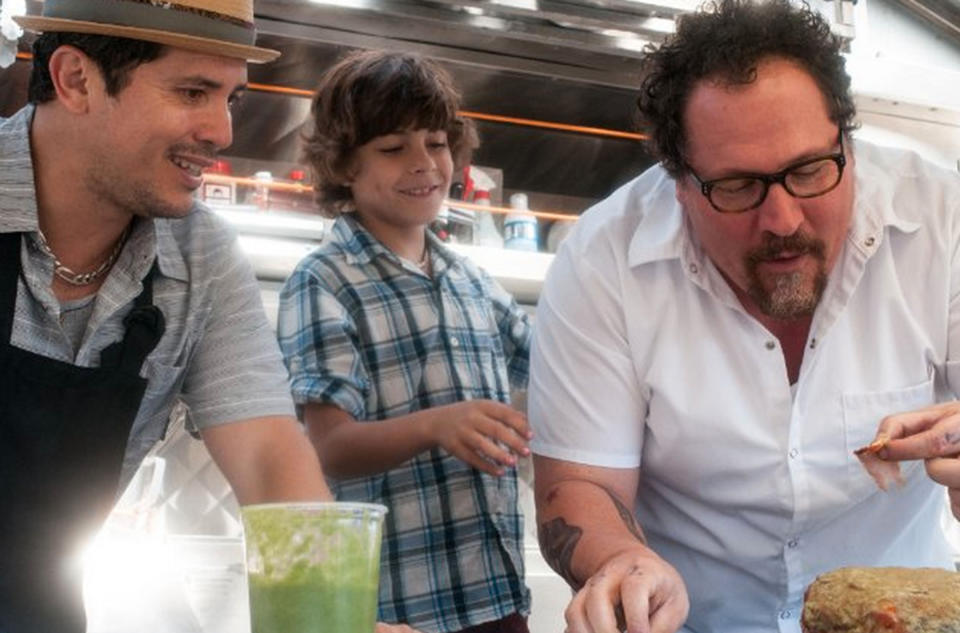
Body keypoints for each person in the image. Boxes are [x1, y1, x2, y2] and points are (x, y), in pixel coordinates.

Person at [527, 1, 960, 632]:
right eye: (736, 187)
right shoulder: (603, 261)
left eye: (811, 171)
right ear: (678, 182)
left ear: (848, 142)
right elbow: (580, 485)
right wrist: (623, 560)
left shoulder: (943, 222)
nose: (783, 221)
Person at [0, 3, 334, 632]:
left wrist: (324, 617)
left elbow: (267, 453)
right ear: (76, 80)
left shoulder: (200, 259)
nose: (222, 131)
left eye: (231, 97)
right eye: (192, 92)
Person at [277, 50, 534, 633]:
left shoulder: (473, 282)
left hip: (497, 597)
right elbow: (329, 448)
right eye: (393, 149)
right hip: (398, 610)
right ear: (344, 166)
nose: (424, 164)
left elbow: (557, 370)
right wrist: (434, 426)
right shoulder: (325, 280)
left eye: (437, 143)